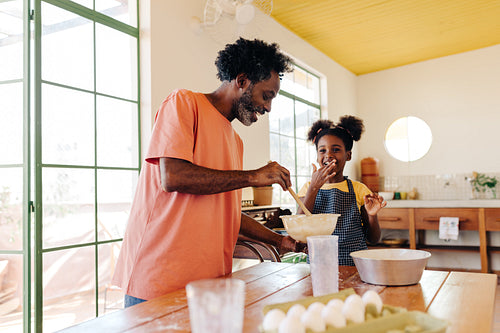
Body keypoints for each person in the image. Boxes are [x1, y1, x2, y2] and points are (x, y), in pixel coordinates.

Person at [112, 38, 306, 307]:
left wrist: (280, 241)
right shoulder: (183, 103)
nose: (269, 107)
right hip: (159, 281)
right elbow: (174, 177)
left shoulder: (235, 141)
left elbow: (228, 214)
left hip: (210, 287)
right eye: (267, 95)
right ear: (242, 81)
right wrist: (253, 176)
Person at [297, 116, 386, 266]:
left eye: (336, 150)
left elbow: (373, 238)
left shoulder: (359, 189)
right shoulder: (308, 188)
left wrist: (372, 216)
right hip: (318, 265)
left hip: (355, 265)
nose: (328, 155)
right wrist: (313, 188)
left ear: (348, 155)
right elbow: (299, 227)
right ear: (317, 155)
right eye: (322, 150)